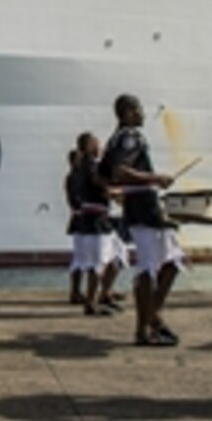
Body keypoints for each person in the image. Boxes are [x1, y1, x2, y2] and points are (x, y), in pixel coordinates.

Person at [100, 94, 182, 346]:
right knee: (149, 266)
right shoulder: (130, 137)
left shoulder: (113, 140)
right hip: (144, 205)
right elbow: (120, 171)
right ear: (127, 113)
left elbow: (104, 175)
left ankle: (152, 317)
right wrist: (155, 178)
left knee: (172, 261)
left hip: (138, 204)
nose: (143, 114)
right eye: (138, 110)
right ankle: (145, 326)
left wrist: (120, 190)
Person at [69, 133, 125, 316]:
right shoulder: (90, 165)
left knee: (117, 255)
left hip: (93, 219)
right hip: (95, 220)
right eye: (96, 143)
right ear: (89, 145)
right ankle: (91, 303)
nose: (99, 146)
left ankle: (104, 293)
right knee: (97, 263)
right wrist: (113, 192)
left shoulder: (77, 169)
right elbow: (97, 183)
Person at [64, 148, 84, 304]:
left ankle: (77, 291)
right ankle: (76, 292)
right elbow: (75, 199)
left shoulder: (73, 177)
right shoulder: (75, 177)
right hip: (83, 219)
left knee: (80, 257)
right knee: (80, 258)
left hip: (81, 219)